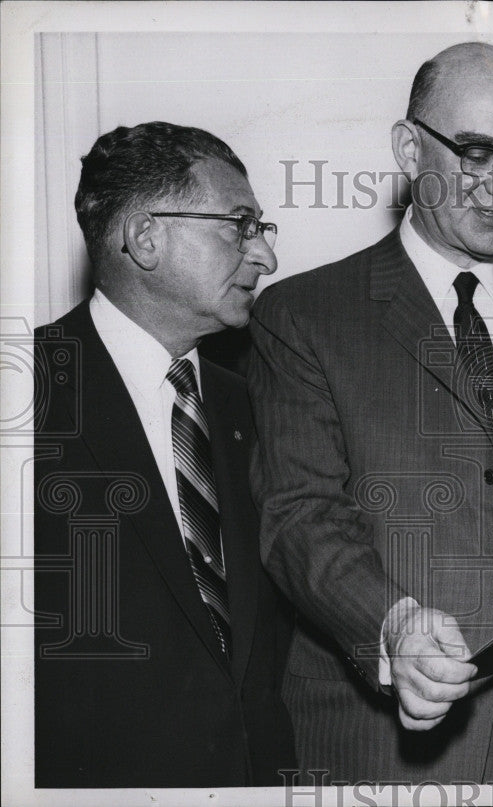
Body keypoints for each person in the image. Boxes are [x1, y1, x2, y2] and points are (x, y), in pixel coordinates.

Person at [248, 42, 493, 784]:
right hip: (381, 752)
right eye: (476, 152)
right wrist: (391, 625)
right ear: (408, 148)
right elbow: (300, 515)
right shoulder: (302, 315)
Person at [33, 121, 296, 787]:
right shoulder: (25, 394)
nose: (265, 257)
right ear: (147, 237)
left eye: (262, 229)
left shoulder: (257, 405)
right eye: (240, 225)